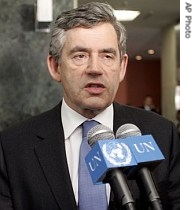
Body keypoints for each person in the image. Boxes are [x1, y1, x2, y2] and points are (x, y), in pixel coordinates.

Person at [0, 2, 180, 210]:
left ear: (122, 67)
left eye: (107, 56)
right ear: (55, 66)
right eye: (80, 55)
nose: (95, 69)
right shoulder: (12, 148)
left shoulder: (162, 135)